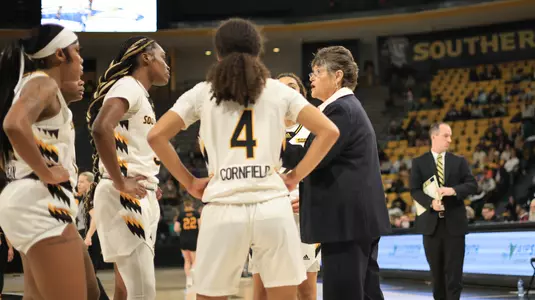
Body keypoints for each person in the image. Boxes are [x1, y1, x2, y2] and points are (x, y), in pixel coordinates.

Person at [147, 18, 339, 300]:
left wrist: (189, 182)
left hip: (223, 206)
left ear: (218, 53)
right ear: (258, 50)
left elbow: (156, 137)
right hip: (273, 207)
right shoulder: (279, 91)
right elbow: (329, 131)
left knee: (210, 295)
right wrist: (295, 176)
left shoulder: (202, 92)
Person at [0, 24, 99, 299]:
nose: (81, 59)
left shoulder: (42, 86)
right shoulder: (42, 81)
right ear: (59, 54)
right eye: (76, 51)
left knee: (89, 290)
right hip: (40, 201)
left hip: (37, 202)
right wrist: (45, 172)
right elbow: (14, 124)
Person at [284, 46, 391, 300]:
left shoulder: (340, 110)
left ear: (337, 76)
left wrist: (269, 139)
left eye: (317, 71)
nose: (311, 77)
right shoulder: (346, 108)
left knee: (344, 294)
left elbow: (312, 157)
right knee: (366, 293)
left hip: (346, 224)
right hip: (355, 222)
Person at [88, 36, 169, 300]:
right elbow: (101, 128)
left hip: (135, 194)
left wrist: (149, 184)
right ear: (146, 57)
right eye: (163, 58)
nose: (167, 66)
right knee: (144, 292)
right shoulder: (128, 86)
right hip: (124, 197)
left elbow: (129, 147)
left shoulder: (139, 94)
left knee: (125, 289)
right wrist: (121, 182)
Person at [250, 73, 319, 300]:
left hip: (303, 216)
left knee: (306, 290)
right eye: (281, 88)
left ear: (301, 94)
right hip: (265, 215)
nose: (287, 91)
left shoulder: (315, 130)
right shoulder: (259, 131)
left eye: (292, 86)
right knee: (261, 290)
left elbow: (324, 173)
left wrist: (311, 199)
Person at [410, 122, 477, 300]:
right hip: (431, 226)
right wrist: (431, 203)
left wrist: (453, 190)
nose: (450, 139)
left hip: (454, 225)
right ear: (434, 137)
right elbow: (414, 190)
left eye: (450, 136)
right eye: (446, 136)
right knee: (437, 275)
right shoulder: (419, 163)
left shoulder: (459, 161)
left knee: (454, 275)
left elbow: (472, 185)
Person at [79, 172, 110, 300]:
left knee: (88, 275)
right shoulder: (86, 197)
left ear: (90, 184)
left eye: (82, 182)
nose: (78, 184)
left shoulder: (90, 197)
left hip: (92, 237)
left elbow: (96, 218)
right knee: (87, 275)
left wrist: (88, 237)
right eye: (78, 181)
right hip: (90, 235)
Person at [174, 200, 201, 289]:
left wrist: (184, 229)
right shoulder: (196, 214)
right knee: (194, 261)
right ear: (192, 204)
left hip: (184, 239)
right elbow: (201, 226)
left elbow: (176, 229)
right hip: (194, 239)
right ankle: (195, 279)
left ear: (184, 205)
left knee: (187, 260)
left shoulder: (181, 215)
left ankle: (189, 280)